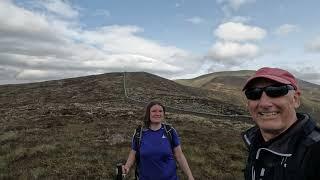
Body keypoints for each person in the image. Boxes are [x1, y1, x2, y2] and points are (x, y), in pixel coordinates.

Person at [241, 67, 320, 180]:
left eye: (276, 91)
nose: (264, 104)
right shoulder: (254, 142)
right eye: (254, 93)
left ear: (295, 99)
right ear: (248, 104)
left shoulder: (315, 151)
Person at [122, 101, 194, 180]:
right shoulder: (139, 133)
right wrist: (127, 167)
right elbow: (133, 154)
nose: (157, 114)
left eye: (160, 111)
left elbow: (179, 156)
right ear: (148, 114)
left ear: (163, 114)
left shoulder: (170, 131)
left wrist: (190, 176)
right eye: (154, 111)